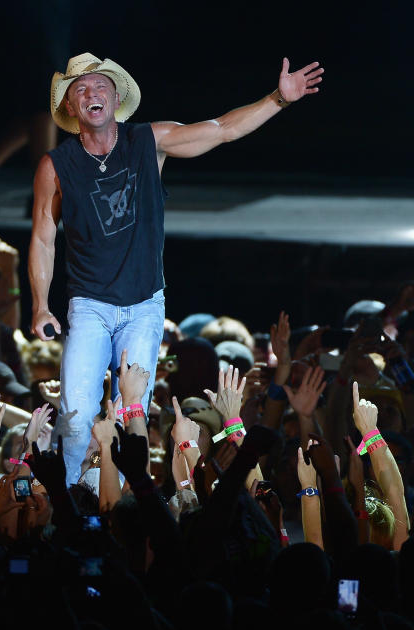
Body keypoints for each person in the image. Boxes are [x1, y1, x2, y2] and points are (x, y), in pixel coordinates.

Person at [29, 52, 323, 481]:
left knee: (132, 414)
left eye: (99, 87)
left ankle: (119, 508)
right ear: (71, 108)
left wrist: (279, 98)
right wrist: (40, 304)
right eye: (81, 90)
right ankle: (75, 506)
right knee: (76, 416)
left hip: (144, 306)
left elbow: (222, 130)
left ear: (114, 97)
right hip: (89, 305)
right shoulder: (55, 166)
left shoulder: (150, 140)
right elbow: (42, 237)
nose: (92, 94)